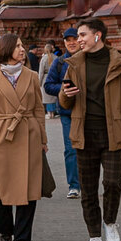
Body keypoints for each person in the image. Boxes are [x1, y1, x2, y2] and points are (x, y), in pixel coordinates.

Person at [58, 18, 121, 241]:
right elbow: (64, 102)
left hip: (113, 131)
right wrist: (66, 93)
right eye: (77, 36)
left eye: (82, 35)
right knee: (88, 187)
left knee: (113, 182)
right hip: (84, 132)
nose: (78, 40)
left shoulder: (120, 63)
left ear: (97, 36)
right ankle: (94, 237)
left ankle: (110, 223)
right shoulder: (74, 64)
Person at [0, 34, 46, 241]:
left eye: (22, 45)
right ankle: (5, 228)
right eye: (17, 46)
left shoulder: (32, 76)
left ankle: (23, 236)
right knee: (4, 186)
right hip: (4, 136)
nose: (22, 49)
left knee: (30, 187)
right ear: (7, 49)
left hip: (29, 134)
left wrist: (42, 138)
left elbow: (38, 108)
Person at [44, 28, 83, 198]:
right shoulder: (59, 62)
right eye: (68, 40)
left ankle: (87, 183)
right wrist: (63, 89)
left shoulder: (88, 59)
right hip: (68, 112)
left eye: (74, 39)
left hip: (88, 112)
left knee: (89, 149)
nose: (71, 42)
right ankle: (74, 185)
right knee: (71, 149)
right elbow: (48, 85)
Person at [38, 41, 59, 119]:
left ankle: (49, 113)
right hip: (54, 77)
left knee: (47, 97)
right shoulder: (56, 57)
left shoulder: (43, 58)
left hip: (45, 78)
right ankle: (53, 112)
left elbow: (41, 72)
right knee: (53, 96)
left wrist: (39, 82)